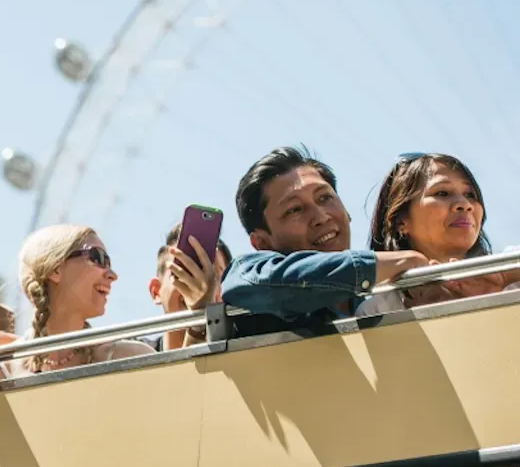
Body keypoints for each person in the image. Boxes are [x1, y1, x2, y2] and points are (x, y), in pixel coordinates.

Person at [221, 146, 429, 322]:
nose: (321, 217)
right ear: (262, 243)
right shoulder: (247, 274)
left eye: (324, 198)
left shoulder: (382, 301)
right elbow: (259, 283)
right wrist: (402, 262)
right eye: (294, 209)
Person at [357, 152, 520, 316]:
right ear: (400, 220)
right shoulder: (376, 312)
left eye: (470, 195)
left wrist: (504, 276)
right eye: (442, 193)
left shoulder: (513, 276)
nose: (465, 204)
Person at [6, 224, 158, 375]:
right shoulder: (0, 369)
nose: (112, 275)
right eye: (97, 257)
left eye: (108, 262)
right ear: (55, 269)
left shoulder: (131, 358)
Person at [147, 222, 233, 351]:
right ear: (156, 291)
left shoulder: (242, 351)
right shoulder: (133, 355)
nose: (200, 283)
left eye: (214, 277)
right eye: (185, 270)